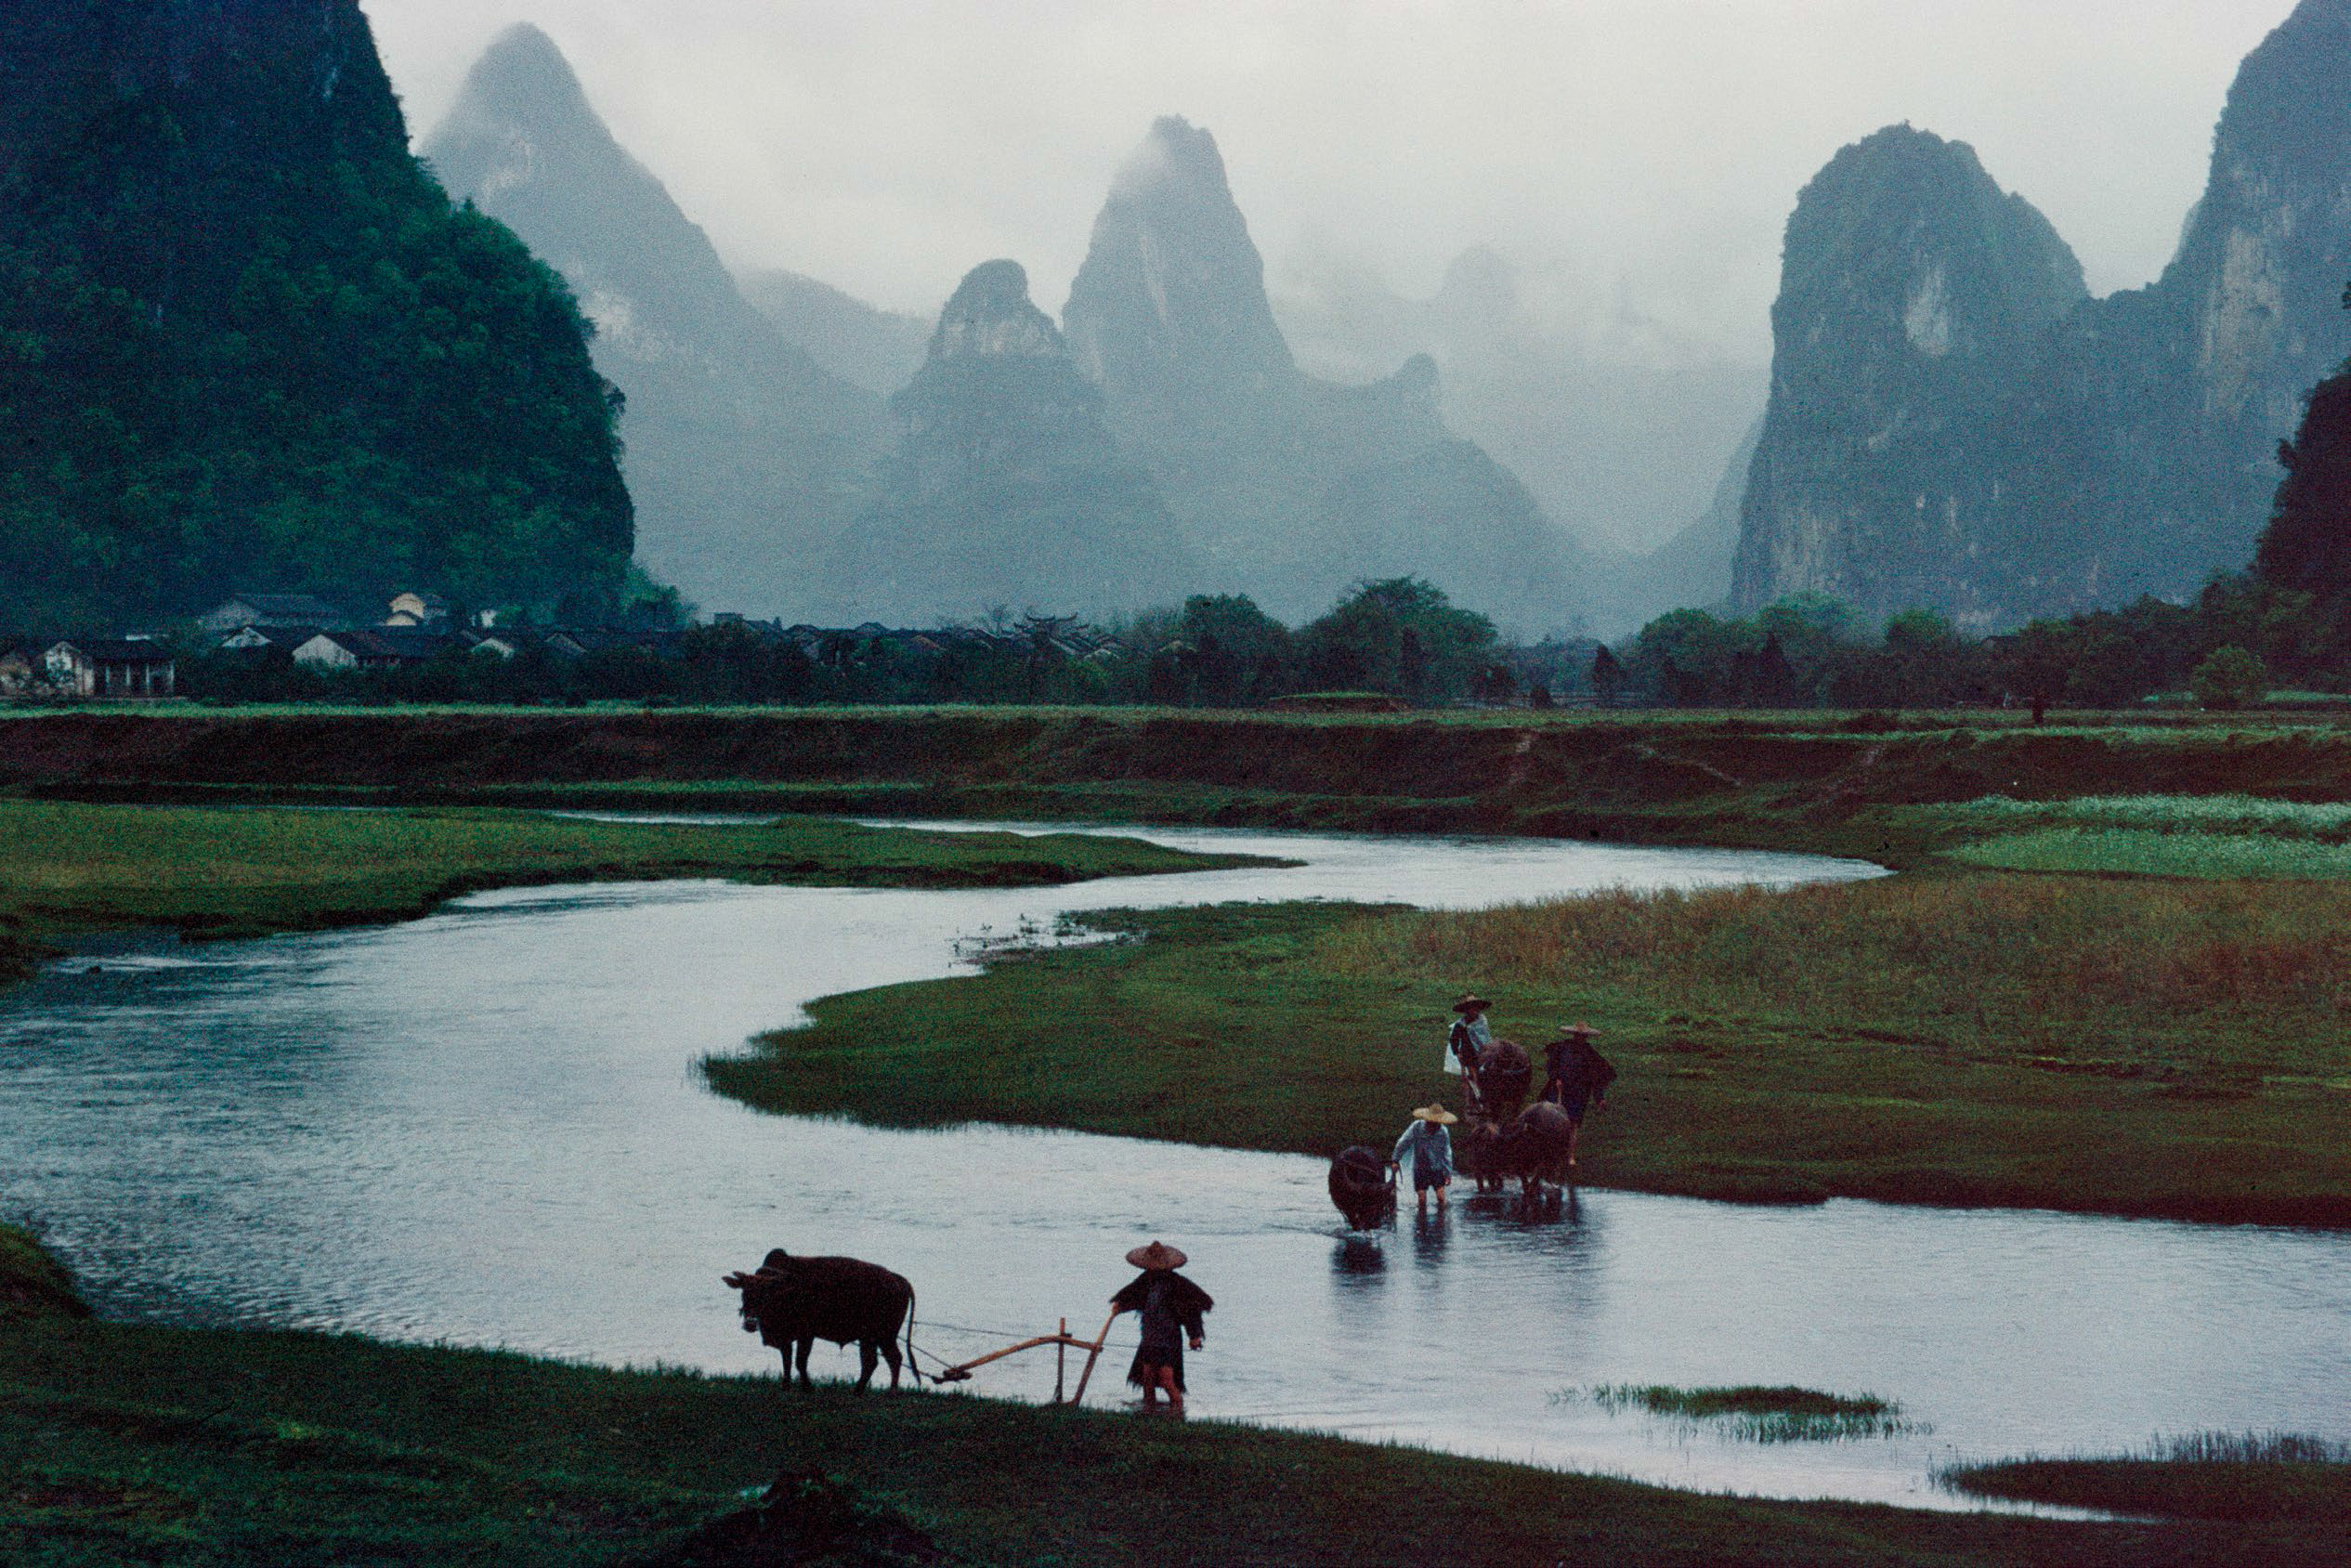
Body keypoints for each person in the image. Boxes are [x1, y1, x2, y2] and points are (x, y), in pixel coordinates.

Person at [1109, 1241, 1211, 1413]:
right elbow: (1133, 1297)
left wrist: (1194, 1337)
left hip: (1168, 1339)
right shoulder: (1145, 1280)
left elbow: (1192, 1312)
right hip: (1149, 1337)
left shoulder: (1179, 1284)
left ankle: (1178, 1414)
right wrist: (1120, 1306)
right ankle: (1149, 1414)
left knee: (1166, 1380)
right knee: (1147, 1379)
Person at [1539, 1023, 1616, 1169]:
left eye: (1583, 1036)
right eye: (1578, 1035)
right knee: (1553, 1121)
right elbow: (1551, 1066)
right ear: (1574, 1035)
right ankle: (1549, 1153)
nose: (1580, 1038)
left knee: (1573, 1124)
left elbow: (1596, 1077)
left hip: (1578, 1093)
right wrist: (1556, 1078)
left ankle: (1570, 1156)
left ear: (1586, 1037)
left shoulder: (1590, 1054)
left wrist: (1599, 1098)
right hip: (1559, 1090)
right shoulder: (1562, 1048)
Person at [1391, 1102, 1458, 1212]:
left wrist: (1448, 1173)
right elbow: (1403, 1142)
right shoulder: (1416, 1127)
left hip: (1437, 1168)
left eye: (1436, 1123)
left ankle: (1442, 1219)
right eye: (1431, 1122)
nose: (1433, 1126)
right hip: (1420, 1167)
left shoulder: (1443, 1132)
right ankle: (1422, 1220)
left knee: (1441, 1197)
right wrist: (1395, 1160)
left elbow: (1447, 1153)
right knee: (1422, 1199)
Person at [1445, 995, 1494, 1104]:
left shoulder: (1482, 1021)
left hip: (1483, 1053)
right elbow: (1454, 1039)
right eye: (1472, 1009)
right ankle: (1471, 1102)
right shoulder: (1460, 1025)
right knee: (1470, 1078)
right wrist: (1457, 1053)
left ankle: (1486, 1098)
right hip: (1468, 1055)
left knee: (1487, 1075)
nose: (1475, 1011)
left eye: (1476, 1008)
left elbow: (1486, 1037)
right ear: (1466, 1010)